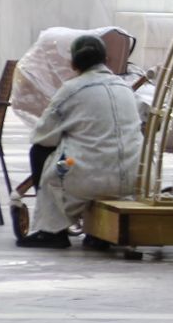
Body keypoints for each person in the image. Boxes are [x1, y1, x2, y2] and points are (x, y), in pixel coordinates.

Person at [16, 34, 145, 249]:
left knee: (41, 154)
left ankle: (52, 229)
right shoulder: (124, 88)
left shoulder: (71, 90)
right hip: (133, 177)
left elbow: (43, 137)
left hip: (84, 175)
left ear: (73, 63)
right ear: (106, 60)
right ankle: (98, 233)